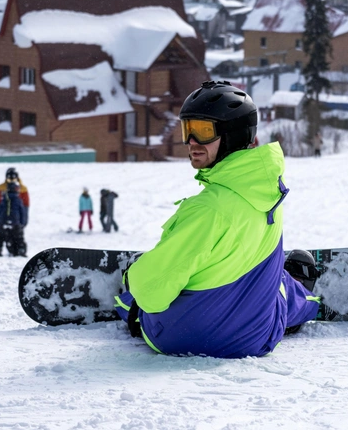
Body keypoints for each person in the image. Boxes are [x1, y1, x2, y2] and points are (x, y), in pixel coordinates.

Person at [113, 80, 326, 359]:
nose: (191, 142)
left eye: (203, 131)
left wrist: (138, 277)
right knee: (274, 283)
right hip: (252, 340)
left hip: (175, 339)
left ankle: (125, 295)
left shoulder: (206, 210)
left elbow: (152, 295)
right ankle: (311, 300)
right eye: (187, 130)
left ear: (232, 135)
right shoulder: (270, 191)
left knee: (143, 289)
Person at [0, 181, 27, 256]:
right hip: (15, 222)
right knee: (18, 237)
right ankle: (21, 249)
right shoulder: (18, 199)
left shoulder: (4, 198)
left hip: (3, 222)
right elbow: (22, 212)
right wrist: (22, 223)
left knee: (1, 236)